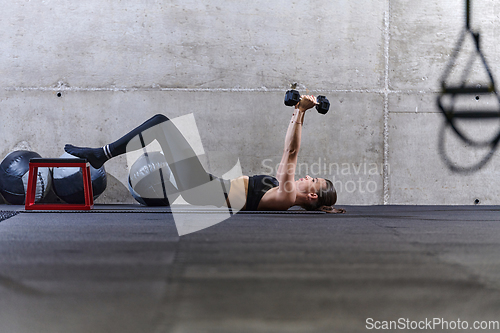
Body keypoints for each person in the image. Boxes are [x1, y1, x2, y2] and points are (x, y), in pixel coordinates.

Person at [65, 95, 345, 213]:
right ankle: (102, 154)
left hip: (202, 189)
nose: (308, 176)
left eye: (314, 180)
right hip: (206, 184)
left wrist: (301, 111)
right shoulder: (280, 194)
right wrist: (298, 110)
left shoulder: (284, 197)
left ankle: (101, 154)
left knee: (161, 123)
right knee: (161, 124)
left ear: (311, 196)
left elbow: (290, 151)